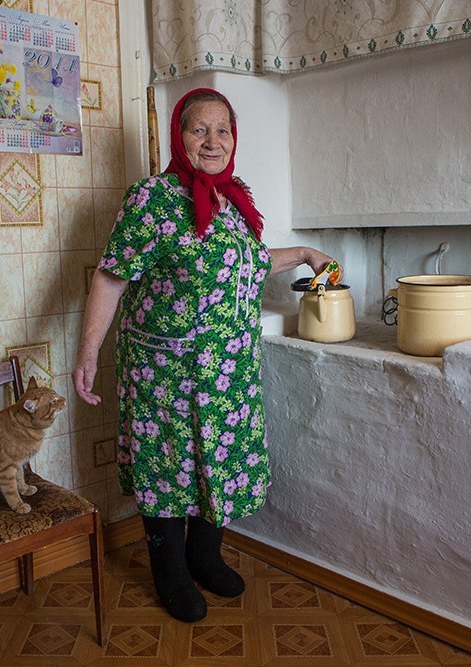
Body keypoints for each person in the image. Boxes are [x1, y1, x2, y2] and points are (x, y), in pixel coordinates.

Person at [72, 88, 335, 622]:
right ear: (179, 136)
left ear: (234, 139)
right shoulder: (153, 199)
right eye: (199, 129)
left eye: (223, 130)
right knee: (168, 468)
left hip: (229, 373)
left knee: (222, 461)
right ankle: (170, 572)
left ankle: (203, 553)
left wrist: (305, 252)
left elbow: (248, 262)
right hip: (165, 372)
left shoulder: (232, 200)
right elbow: (111, 273)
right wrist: (89, 351)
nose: (212, 141)